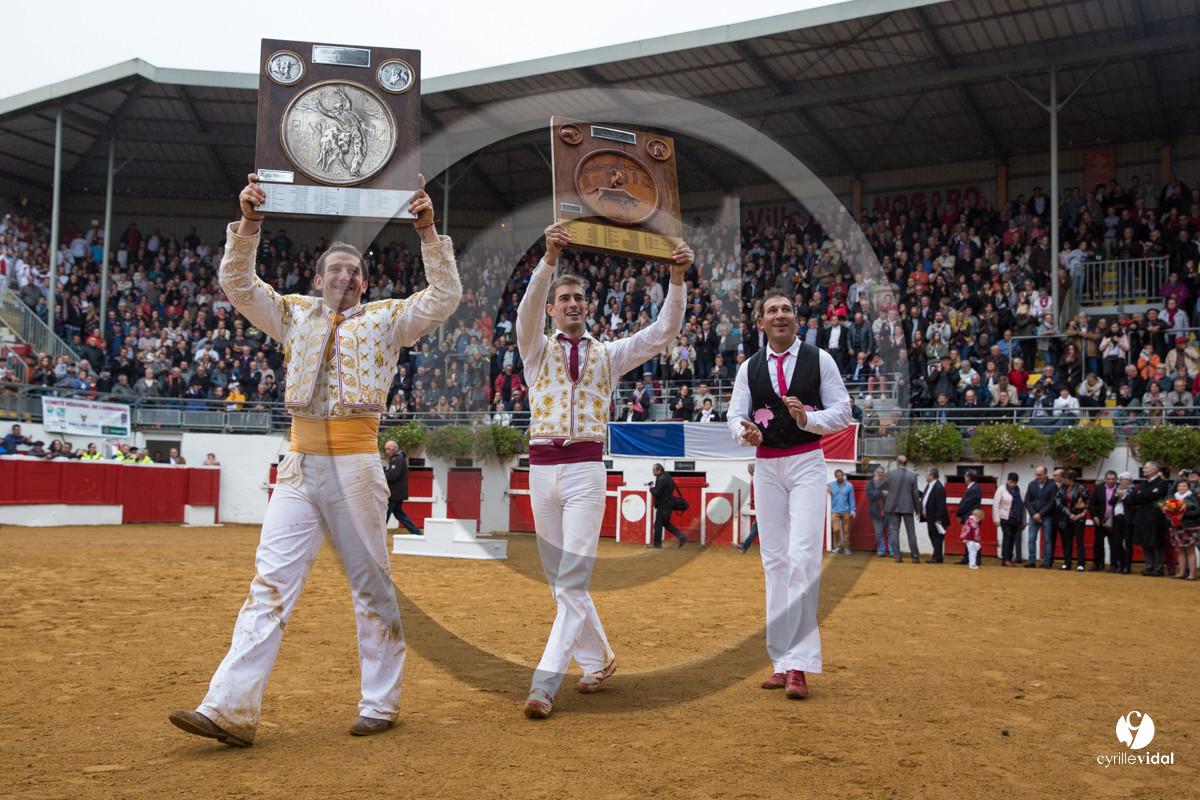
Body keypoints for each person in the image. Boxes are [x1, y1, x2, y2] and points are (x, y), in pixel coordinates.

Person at [169, 173, 460, 746]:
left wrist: (428, 231)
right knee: (269, 584)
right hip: (299, 465)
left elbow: (444, 297)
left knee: (371, 586)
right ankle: (228, 709)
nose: (344, 277)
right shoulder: (293, 313)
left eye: (353, 271)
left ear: (364, 283)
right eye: (335, 269)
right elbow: (236, 282)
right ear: (319, 278)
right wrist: (249, 221)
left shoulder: (389, 319)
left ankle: (380, 702)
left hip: (355, 465)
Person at [517, 222, 691, 719]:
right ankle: (599, 660)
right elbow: (525, 313)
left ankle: (545, 683)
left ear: (587, 307)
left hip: (585, 471)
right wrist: (549, 259)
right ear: (552, 309)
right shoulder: (534, 349)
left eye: (578, 298)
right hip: (541, 469)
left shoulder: (608, 355)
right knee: (560, 582)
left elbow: (662, 334)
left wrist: (676, 279)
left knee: (570, 580)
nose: (572, 304)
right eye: (563, 299)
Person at [727, 288, 851, 700]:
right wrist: (744, 433)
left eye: (786, 309)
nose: (779, 315)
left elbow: (844, 411)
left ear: (796, 319)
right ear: (761, 322)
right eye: (772, 310)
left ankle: (799, 664)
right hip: (766, 465)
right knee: (775, 561)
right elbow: (734, 416)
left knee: (803, 557)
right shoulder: (749, 367)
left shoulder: (820, 359)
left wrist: (808, 419)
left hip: (806, 461)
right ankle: (781, 662)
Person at [1126, 460, 1169, 576]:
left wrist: (1142, 494)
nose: (1143, 470)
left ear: (1154, 470)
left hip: (1156, 517)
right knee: (1145, 542)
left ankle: (1158, 568)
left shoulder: (1162, 483)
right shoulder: (1143, 483)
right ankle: (1149, 566)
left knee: (1156, 542)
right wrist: (1147, 494)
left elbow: (1156, 495)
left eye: (1146, 468)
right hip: (1142, 517)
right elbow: (1135, 497)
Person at [880, 455, 923, 563]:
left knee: (894, 532)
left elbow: (879, 486)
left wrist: (877, 480)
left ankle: (897, 556)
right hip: (907, 506)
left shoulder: (890, 474)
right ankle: (915, 557)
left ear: (897, 463)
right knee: (911, 532)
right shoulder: (912, 476)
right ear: (906, 464)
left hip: (893, 506)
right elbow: (915, 494)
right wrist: (918, 510)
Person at [382, 440, 422, 536]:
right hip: (397, 493)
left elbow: (393, 475)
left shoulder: (397, 459)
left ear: (394, 448)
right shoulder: (398, 458)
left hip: (394, 494)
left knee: (384, 516)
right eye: (386, 449)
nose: (387, 451)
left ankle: (378, 536)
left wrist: (381, 475)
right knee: (399, 514)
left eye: (388, 449)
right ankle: (417, 533)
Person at [1055, 469, 1091, 571]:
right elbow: (1058, 502)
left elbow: (1088, 502)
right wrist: (1069, 514)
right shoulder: (1062, 489)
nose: (1063, 480)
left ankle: (1081, 563)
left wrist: (1082, 514)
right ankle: (1067, 562)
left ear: (1071, 479)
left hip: (1079, 518)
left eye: (1065, 479)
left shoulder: (1081, 488)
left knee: (1079, 541)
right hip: (1066, 518)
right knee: (1067, 541)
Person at [648, 463, 688, 548]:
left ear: (659, 470)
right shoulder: (667, 476)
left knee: (658, 524)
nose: (653, 472)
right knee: (665, 522)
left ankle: (657, 544)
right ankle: (681, 536)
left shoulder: (660, 479)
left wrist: (651, 488)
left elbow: (657, 493)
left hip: (663, 504)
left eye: (654, 470)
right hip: (669, 503)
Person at [1025, 466, 1057, 569]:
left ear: (1045, 474)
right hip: (1034, 515)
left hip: (1047, 516)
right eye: (1036, 475)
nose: (1038, 477)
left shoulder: (1052, 485)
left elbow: (1052, 502)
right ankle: (1032, 561)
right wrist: (1034, 513)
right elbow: (1027, 500)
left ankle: (1047, 562)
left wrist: (1040, 514)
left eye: (1040, 475)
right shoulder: (1032, 484)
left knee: (1047, 540)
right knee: (1031, 539)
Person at [1088, 470, 1121, 572]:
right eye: (1109, 479)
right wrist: (1094, 516)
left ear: (1116, 480)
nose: (1111, 481)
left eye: (1113, 479)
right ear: (1105, 479)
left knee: (1114, 544)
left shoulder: (1120, 488)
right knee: (1098, 543)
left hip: (1114, 521)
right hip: (1100, 520)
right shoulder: (1099, 488)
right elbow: (1092, 504)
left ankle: (1114, 564)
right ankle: (1097, 563)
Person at [1167, 478, 1199, 580]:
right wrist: (1171, 519)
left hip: (1189, 526)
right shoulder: (1173, 498)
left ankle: (1192, 574)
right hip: (1176, 527)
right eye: (1179, 486)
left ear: (1188, 488)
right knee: (1179, 550)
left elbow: (1198, 511)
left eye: (1184, 486)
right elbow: (1167, 511)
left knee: (1190, 550)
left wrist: (1183, 514)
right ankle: (1181, 572)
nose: (1181, 488)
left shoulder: (1192, 497)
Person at [992, 472, 1024, 567]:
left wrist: (1023, 521)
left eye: (1014, 483)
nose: (1012, 485)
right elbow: (996, 505)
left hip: (1015, 519)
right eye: (1011, 482)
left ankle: (1009, 558)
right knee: (1007, 537)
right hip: (1005, 518)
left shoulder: (1020, 492)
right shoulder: (1001, 490)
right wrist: (996, 519)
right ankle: (1005, 558)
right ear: (1007, 480)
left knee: (1012, 538)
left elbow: (1023, 507)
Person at [919, 467, 950, 563]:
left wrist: (939, 518)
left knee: (937, 537)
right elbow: (925, 498)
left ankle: (937, 557)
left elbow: (941, 504)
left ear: (932, 476)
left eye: (927, 475)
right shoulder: (930, 486)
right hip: (930, 517)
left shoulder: (939, 487)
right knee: (933, 536)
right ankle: (937, 556)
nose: (925, 476)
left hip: (936, 518)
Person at [954, 470, 983, 565]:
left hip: (971, 516)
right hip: (971, 516)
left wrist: (958, 513)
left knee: (972, 538)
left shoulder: (973, 488)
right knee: (970, 537)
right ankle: (969, 557)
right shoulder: (974, 487)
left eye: (966, 476)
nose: (964, 477)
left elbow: (966, 504)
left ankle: (975, 558)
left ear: (969, 477)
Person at [826, 469, 855, 555]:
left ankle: (846, 547)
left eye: (841, 475)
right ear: (835, 477)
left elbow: (851, 499)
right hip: (835, 511)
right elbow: (822, 485)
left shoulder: (849, 486)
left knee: (846, 530)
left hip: (845, 510)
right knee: (836, 529)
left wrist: (852, 510)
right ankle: (839, 546)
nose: (840, 477)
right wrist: (826, 487)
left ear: (843, 475)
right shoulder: (832, 485)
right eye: (838, 476)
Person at [864, 465, 890, 557]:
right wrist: (882, 493)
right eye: (878, 472)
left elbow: (891, 494)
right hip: (876, 511)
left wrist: (879, 494)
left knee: (891, 532)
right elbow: (870, 494)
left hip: (888, 511)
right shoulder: (871, 483)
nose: (880, 474)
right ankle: (881, 551)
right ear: (875, 473)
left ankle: (892, 551)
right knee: (879, 533)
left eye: (882, 472)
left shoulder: (888, 482)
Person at [738, 462, 758, 554]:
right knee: (756, 527)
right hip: (768, 509)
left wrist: (754, 500)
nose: (750, 474)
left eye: (750, 472)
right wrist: (754, 500)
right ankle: (744, 546)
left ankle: (744, 546)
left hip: (768, 510)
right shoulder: (760, 478)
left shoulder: (759, 479)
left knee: (756, 527)